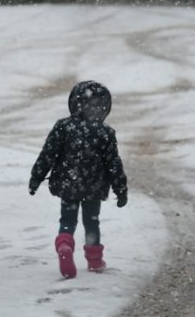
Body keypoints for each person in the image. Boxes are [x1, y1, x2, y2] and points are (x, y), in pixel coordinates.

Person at [28, 80, 128, 279]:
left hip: (68, 184)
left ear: (74, 103)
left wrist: (36, 177)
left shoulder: (63, 127)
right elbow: (113, 164)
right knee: (91, 222)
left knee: (67, 220)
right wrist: (120, 189)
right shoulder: (105, 132)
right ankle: (95, 261)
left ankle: (64, 243)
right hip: (93, 186)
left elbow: (47, 155)